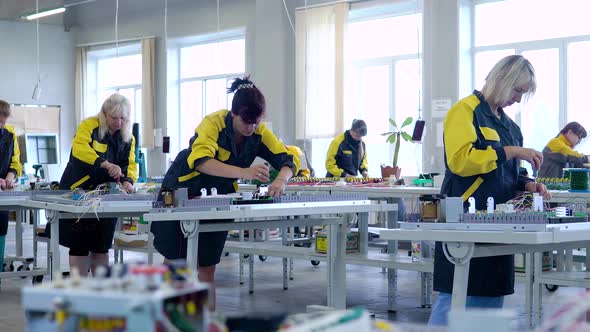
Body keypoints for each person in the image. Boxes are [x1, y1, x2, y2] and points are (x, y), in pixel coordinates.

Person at [151, 77, 299, 311]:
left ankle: (206, 323)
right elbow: (201, 162)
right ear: (233, 114)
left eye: (256, 122)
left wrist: (281, 179)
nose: (251, 128)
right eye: (246, 122)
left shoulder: (259, 132)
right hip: (180, 191)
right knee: (175, 263)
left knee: (207, 266)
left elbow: (288, 160)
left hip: (219, 198)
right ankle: (169, 321)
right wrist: (245, 172)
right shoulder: (213, 123)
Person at [429, 55, 552, 326]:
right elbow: (461, 161)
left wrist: (529, 184)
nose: (519, 99)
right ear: (502, 80)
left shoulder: (510, 127)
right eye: (518, 90)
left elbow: (512, 173)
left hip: (498, 221)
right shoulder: (464, 112)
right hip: (463, 216)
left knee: (490, 292)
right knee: (456, 293)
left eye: (523, 93)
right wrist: (510, 151)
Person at [53, 93, 137, 276]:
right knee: (79, 245)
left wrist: (128, 181)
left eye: (123, 118)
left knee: (102, 245)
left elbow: (130, 164)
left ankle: (100, 291)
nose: (119, 122)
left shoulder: (128, 137)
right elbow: (80, 149)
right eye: (114, 118)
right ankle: (79, 287)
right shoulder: (89, 126)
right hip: (79, 192)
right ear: (104, 114)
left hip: (107, 197)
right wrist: (104, 163)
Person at [0, 100, 22, 272]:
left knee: (1, 230)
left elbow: (16, 162)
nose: (2, 125)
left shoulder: (9, 135)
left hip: (2, 195)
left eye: (3, 122)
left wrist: (10, 175)